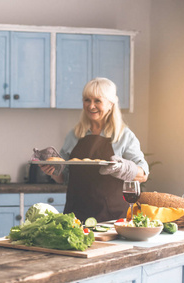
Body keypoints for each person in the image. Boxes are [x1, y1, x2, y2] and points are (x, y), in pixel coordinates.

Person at [40, 77, 149, 222]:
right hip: (76, 216)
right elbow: (64, 177)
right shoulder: (75, 135)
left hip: (113, 218)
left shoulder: (123, 136)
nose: (91, 106)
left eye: (97, 101)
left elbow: (143, 174)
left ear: (110, 104)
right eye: (87, 100)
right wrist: (52, 171)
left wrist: (123, 168)